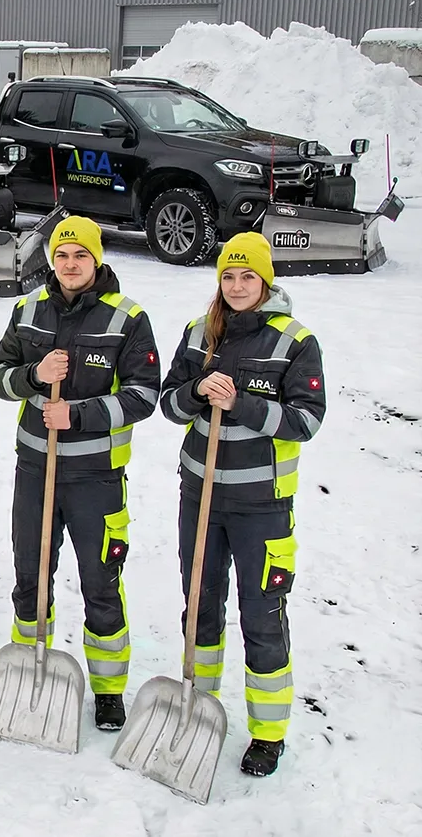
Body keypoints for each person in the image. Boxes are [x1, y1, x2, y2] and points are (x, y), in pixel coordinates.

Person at [159, 232, 324, 777]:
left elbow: (306, 421)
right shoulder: (198, 332)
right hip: (200, 493)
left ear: (265, 280)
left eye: (247, 276)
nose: (236, 286)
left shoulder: (294, 342)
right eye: (228, 276)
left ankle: (268, 733)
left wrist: (244, 404)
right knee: (200, 605)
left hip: (262, 504)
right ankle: (198, 707)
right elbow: (169, 403)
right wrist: (196, 394)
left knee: (262, 614)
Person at [0, 215, 160, 730]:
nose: (69, 264)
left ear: (97, 259)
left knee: (100, 580)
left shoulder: (127, 318)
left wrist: (79, 414)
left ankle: (109, 689)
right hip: (35, 470)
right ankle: (28, 671)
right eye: (62, 255)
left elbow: (144, 395)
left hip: (96, 477)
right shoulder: (27, 309)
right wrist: (34, 377)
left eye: (80, 256)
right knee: (29, 577)